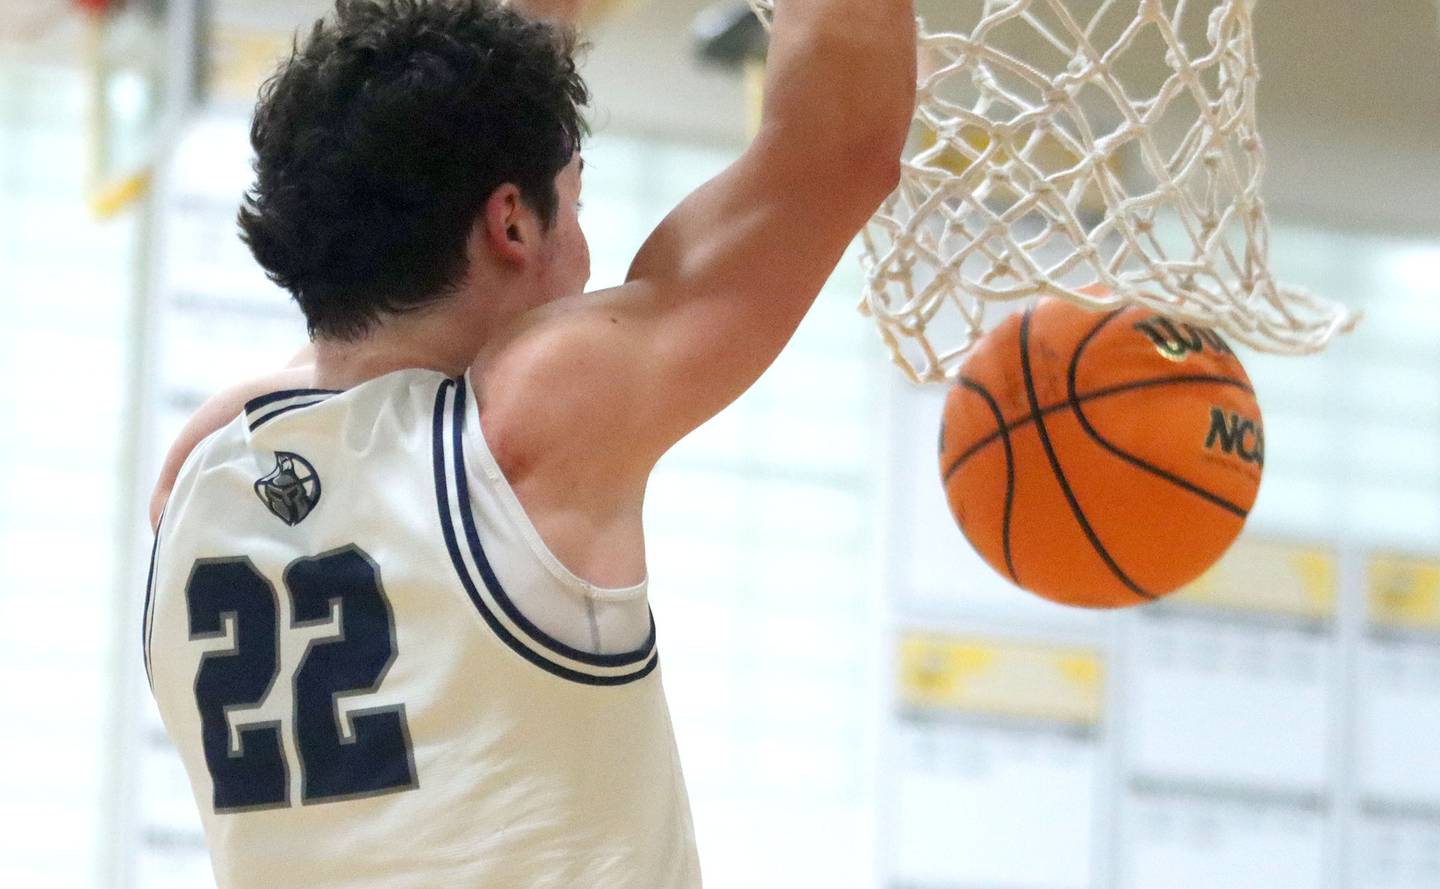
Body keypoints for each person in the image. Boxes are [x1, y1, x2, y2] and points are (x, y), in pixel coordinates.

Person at [142, 0, 915, 886]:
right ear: (511, 223)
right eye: (574, 203)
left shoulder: (197, 484)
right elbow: (840, 145)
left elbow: (354, 366)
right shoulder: (526, 424)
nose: (584, 254)